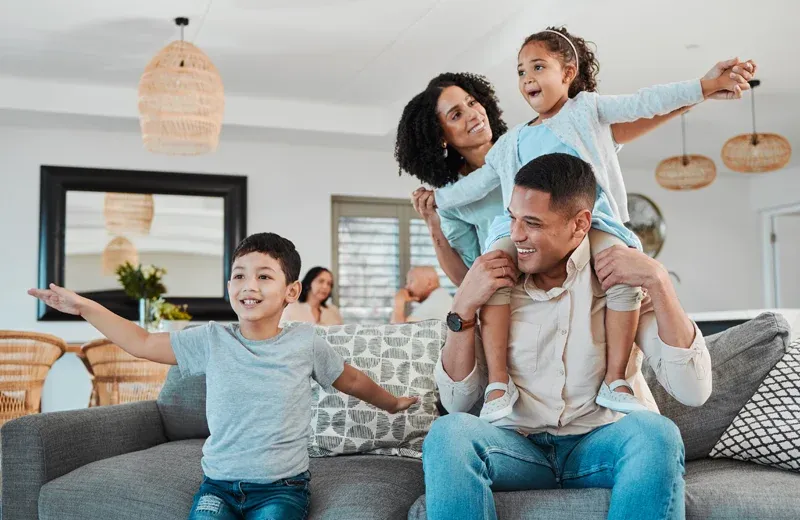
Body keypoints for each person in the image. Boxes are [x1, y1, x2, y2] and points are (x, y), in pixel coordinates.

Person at [403, 30, 755, 421]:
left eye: (471, 102)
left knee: (624, 285)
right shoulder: (511, 152)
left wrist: (701, 90)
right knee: (493, 275)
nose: (472, 114)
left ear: (568, 72)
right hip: (522, 307)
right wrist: (435, 206)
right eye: (456, 114)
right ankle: (499, 385)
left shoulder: (575, 123)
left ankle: (616, 379)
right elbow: (469, 260)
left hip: (594, 259)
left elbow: (639, 108)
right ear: (441, 139)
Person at [29, 232, 416, 520]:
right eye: (239, 276)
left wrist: (393, 403)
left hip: (282, 489)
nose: (249, 285)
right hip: (219, 486)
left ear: (291, 291)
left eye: (264, 276)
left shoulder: (305, 343)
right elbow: (143, 341)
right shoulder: (212, 339)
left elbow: (349, 380)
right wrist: (84, 307)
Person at [422, 153, 712, 520]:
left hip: (600, 445)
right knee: (449, 434)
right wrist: (462, 306)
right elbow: (457, 402)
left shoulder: (619, 277)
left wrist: (660, 281)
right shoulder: (495, 281)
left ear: (580, 224)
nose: (516, 234)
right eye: (513, 218)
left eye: (533, 223)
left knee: (657, 435)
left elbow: (693, 390)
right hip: (517, 449)